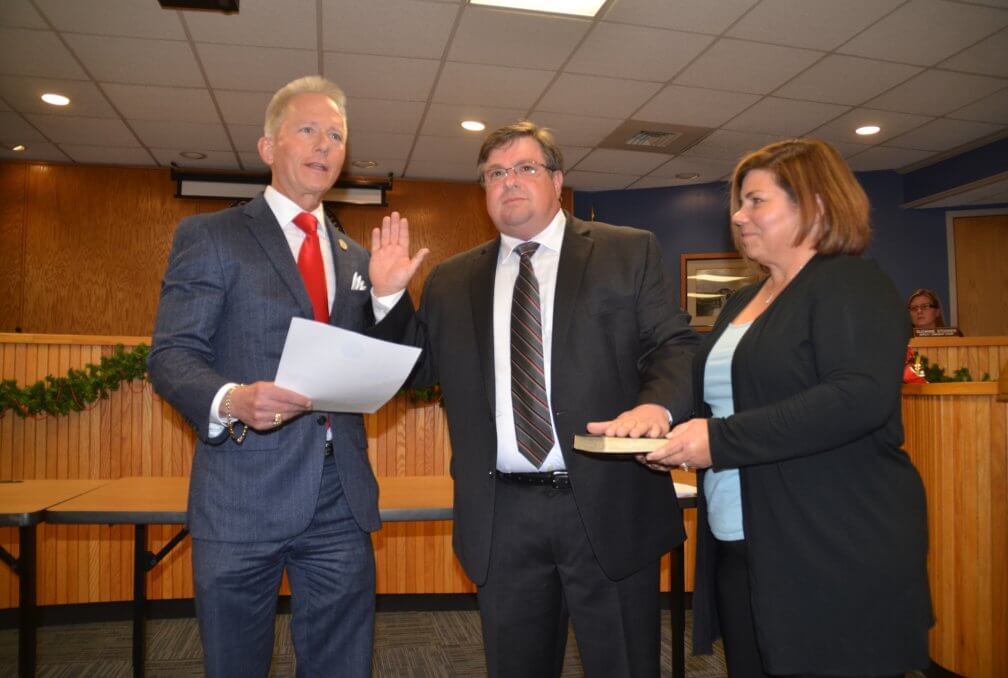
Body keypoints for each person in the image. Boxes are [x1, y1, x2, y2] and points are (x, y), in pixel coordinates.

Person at [370, 121, 700, 676]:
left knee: (623, 663)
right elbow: (417, 372)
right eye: (495, 173)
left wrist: (656, 407)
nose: (509, 182)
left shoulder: (626, 252)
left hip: (608, 500)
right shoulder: (452, 280)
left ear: (557, 179)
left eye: (525, 168)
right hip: (503, 515)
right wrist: (388, 298)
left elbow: (674, 344)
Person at [148, 75, 425, 677]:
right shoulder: (212, 236)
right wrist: (231, 398)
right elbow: (171, 355)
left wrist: (386, 298)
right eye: (308, 130)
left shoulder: (357, 256)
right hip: (241, 491)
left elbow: (397, 366)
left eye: (336, 136)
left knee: (341, 663)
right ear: (269, 147)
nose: (324, 146)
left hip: (339, 494)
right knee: (237, 663)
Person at [644, 139, 933, 676]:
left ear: (817, 205)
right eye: (740, 202)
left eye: (756, 201)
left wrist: (720, 440)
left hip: (828, 540)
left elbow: (857, 398)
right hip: (742, 534)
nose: (738, 214)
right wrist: (654, 415)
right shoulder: (742, 299)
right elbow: (714, 388)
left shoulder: (850, 283)